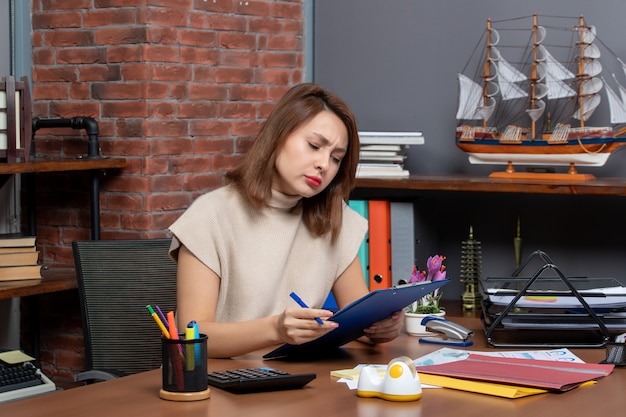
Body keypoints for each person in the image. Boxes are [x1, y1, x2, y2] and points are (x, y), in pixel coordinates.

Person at [169, 83, 404, 358]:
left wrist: (377, 329)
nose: (324, 164)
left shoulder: (333, 218)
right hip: (222, 383)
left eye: (336, 158)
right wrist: (275, 330)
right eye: (314, 146)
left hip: (298, 379)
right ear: (278, 137)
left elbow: (354, 322)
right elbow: (192, 334)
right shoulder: (210, 217)